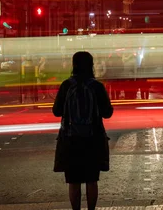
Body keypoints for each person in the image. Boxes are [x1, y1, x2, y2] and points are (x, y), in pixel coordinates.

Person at [53, 51, 113, 210]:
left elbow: (56, 111)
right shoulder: (97, 86)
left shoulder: (67, 85)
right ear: (91, 65)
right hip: (93, 139)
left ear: (74, 65)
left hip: (70, 139)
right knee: (92, 180)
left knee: (74, 181)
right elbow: (108, 113)